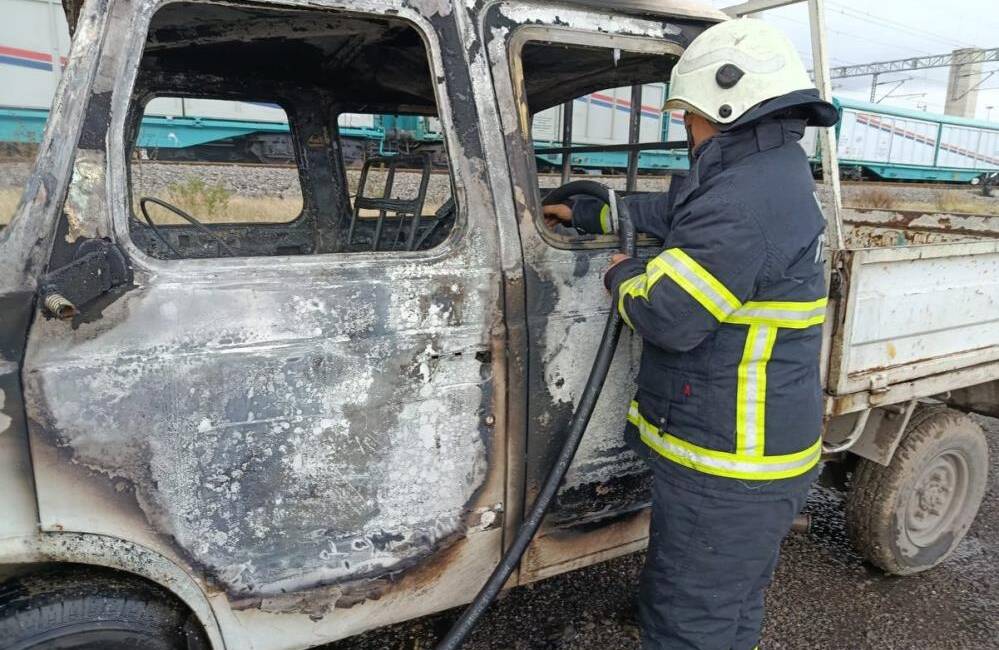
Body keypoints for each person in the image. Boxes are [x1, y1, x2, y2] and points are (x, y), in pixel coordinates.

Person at [544, 19, 840, 650]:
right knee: (725, 605)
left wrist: (623, 275)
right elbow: (679, 213)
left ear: (727, 104)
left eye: (690, 115)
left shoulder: (743, 199)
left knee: (690, 623)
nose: (686, 127)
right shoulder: (764, 173)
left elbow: (669, 314)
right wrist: (592, 208)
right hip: (751, 457)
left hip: (731, 467)